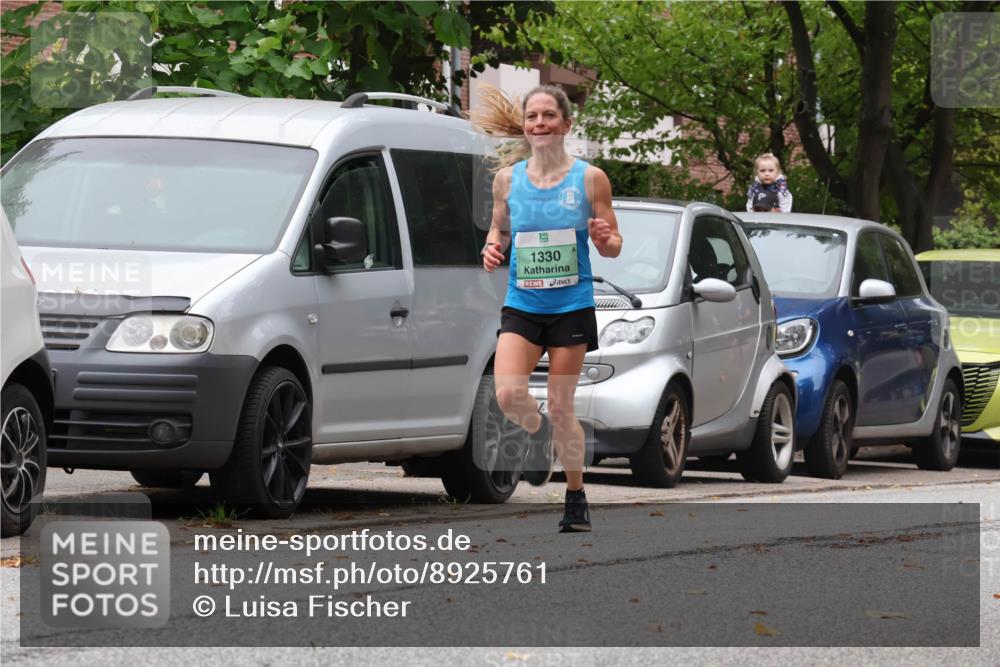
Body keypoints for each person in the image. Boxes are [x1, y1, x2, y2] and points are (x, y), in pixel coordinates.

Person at [472, 84, 622, 533]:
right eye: (532, 116)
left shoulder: (590, 178)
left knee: (561, 406)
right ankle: (536, 436)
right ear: (524, 126)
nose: (540, 123)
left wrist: (602, 238)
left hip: (570, 305)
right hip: (523, 302)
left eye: (548, 116)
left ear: (566, 124)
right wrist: (491, 249)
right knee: (507, 395)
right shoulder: (507, 180)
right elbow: (498, 232)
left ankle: (575, 498)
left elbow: (613, 244)